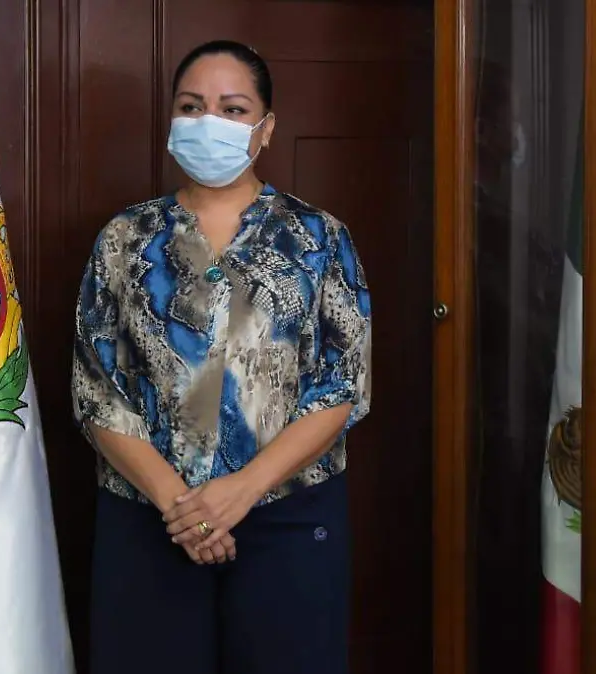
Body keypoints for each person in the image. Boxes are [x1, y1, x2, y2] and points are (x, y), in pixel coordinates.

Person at [71, 39, 371, 674]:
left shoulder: (318, 238)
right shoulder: (125, 238)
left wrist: (238, 493)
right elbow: (96, 391)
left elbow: (343, 386)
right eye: (191, 106)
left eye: (233, 109)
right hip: (149, 516)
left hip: (287, 517)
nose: (209, 122)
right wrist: (183, 507)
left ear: (266, 128)